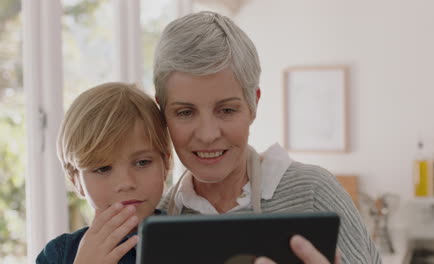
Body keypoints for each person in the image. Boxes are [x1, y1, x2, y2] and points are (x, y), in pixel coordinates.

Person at [154, 11, 381, 264]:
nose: (208, 135)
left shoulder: (314, 193)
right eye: (185, 112)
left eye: (227, 110)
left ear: (254, 105)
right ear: (162, 112)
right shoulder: (157, 220)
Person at [36, 82, 172, 264]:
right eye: (102, 168)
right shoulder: (58, 255)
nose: (126, 182)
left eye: (142, 162)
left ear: (166, 164)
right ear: (75, 180)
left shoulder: (195, 241)